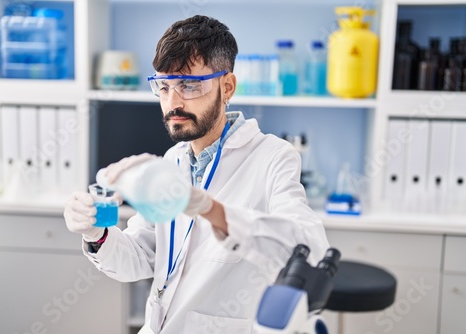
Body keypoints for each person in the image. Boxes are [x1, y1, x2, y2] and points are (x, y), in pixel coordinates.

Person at [64, 15, 329, 334]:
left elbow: (309, 252)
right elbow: (139, 256)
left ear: (227, 86)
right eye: (164, 87)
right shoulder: (174, 159)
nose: (172, 103)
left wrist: (211, 210)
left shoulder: (273, 156)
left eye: (189, 86)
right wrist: (96, 233)